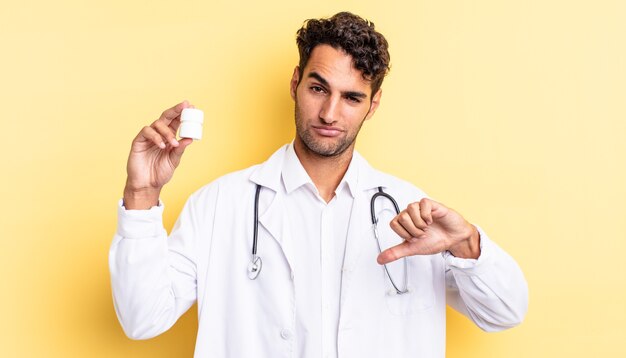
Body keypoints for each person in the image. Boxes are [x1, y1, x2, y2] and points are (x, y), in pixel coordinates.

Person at [110, 11, 528, 358]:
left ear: (373, 104)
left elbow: (505, 312)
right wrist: (142, 196)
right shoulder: (219, 205)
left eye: (351, 98)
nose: (330, 113)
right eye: (317, 88)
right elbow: (142, 317)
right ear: (295, 84)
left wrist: (467, 245)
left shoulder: (411, 213)